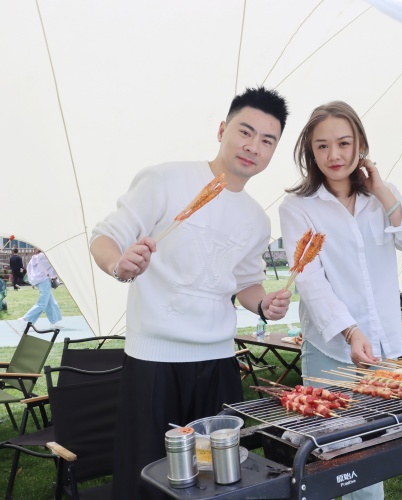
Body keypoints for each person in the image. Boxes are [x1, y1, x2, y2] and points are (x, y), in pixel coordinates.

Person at [90, 86, 292, 499]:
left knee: (218, 479)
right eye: (245, 132)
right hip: (154, 360)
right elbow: (104, 238)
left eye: (267, 140)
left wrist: (263, 303)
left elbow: (245, 283)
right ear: (222, 130)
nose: (253, 147)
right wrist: (118, 264)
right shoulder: (165, 179)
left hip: (218, 361)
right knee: (147, 476)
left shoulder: (256, 219)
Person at [279, 100, 402, 500]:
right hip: (331, 348)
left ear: (360, 144)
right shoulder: (297, 207)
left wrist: (381, 190)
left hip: (382, 349)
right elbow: (310, 281)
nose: (335, 155)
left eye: (344, 143)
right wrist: (350, 330)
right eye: (322, 146)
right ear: (310, 152)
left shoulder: (383, 196)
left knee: (371, 459)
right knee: (336, 460)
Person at [19, 249, 62, 329]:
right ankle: (25, 319)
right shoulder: (46, 256)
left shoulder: (35, 258)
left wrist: (33, 281)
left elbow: (29, 269)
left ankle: (53, 322)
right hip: (45, 280)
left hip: (39, 281)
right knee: (42, 304)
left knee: (50, 302)